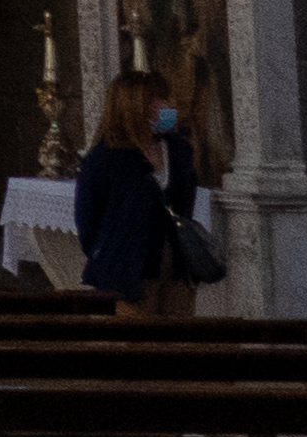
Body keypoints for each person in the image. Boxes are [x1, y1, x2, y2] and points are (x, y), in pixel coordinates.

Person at [73, 67, 207, 318]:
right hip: (129, 273)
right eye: (160, 99)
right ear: (136, 107)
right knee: (136, 347)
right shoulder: (105, 159)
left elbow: (185, 204)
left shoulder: (178, 151)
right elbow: (88, 221)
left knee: (181, 346)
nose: (169, 106)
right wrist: (114, 256)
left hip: (177, 270)